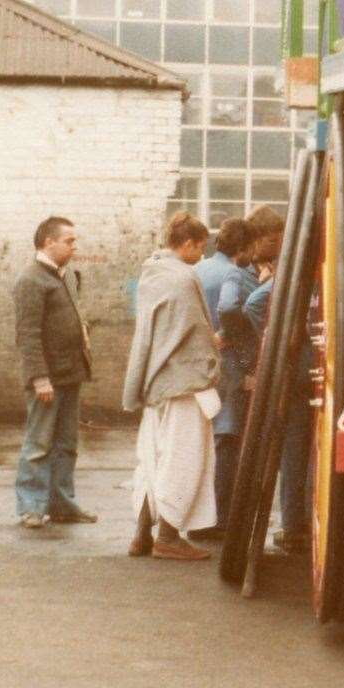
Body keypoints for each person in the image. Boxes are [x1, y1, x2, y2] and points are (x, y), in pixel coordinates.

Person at [122, 211, 221, 560]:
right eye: (201, 247)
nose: (203, 255)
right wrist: (213, 357)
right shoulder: (183, 277)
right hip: (184, 384)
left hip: (155, 382)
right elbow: (195, 332)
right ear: (189, 244)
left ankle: (141, 535)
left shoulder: (152, 272)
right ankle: (168, 536)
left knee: (152, 459)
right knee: (184, 458)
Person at [12, 216, 95, 528]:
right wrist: (39, 378)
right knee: (39, 444)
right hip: (47, 378)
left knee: (66, 443)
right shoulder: (30, 280)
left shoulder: (68, 275)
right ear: (48, 242)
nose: (74, 247)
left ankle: (62, 505)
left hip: (71, 372)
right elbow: (28, 334)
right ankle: (31, 507)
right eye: (69, 241)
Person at [192, 217, 257, 537]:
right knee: (227, 439)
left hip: (197, 363)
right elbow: (230, 307)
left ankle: (196, 514)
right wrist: (230, 334)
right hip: (226, 363)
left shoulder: (199, 269)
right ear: (244, 248)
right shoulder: (234, 272)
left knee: (202, 440)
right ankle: (216, 519)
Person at [241, 272, 312, 553]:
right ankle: (295, 524)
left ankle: (297, 522)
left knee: (300, 452)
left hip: (303, 374)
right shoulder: (304, 275)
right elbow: (254, 304)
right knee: (296, 451)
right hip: (300, 376)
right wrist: (284, 341)